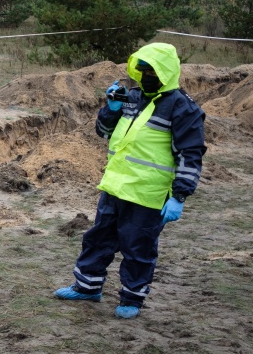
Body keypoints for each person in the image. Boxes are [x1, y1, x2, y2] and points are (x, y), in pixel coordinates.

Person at [54, 42, 206, 319]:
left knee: (138, 248)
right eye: (143, 69)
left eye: (153, 71)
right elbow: (103, 131)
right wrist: (111, 108)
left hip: (148, 194)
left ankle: (132, 299)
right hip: (114, 187)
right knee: (98, 239)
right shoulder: (132, 98)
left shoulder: (183, 109)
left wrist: (179, 196)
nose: (146, 75)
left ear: (166, 72)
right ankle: (87, 287)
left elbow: (190, 154)